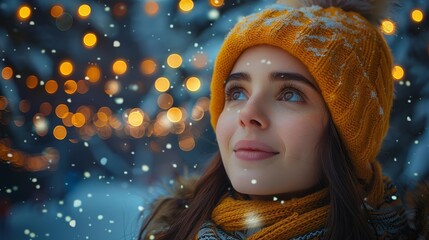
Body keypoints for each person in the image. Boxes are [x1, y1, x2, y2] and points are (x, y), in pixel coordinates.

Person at [139, 0, 429, 239]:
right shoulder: (173, 231)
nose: (249, 115)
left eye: (290, 94)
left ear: (350, 129)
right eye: (237, 93)